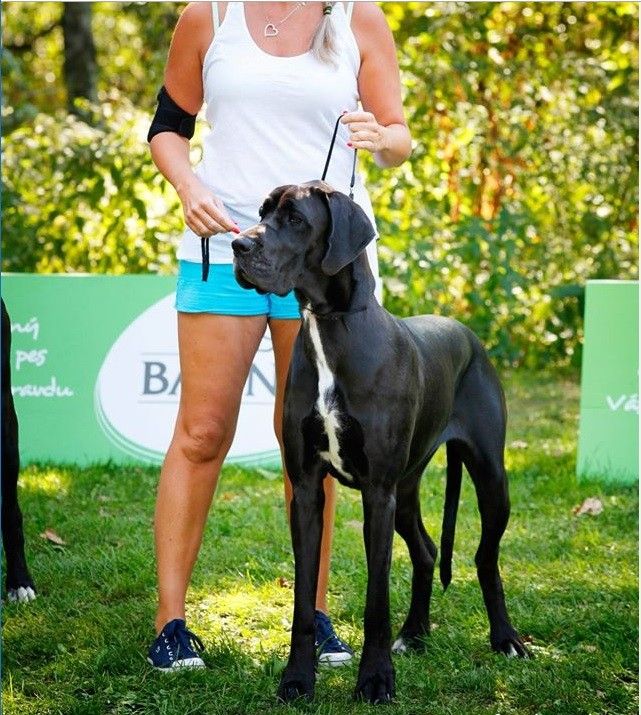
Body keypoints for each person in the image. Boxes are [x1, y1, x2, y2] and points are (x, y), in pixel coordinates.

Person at [146, 0, 411, 670]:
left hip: (324, 268)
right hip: (224, 245)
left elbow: (399, 139)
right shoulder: (208, 16)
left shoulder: (357, 18)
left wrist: (381, 138)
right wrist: (187, 185)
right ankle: (170, 623)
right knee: (201, 433)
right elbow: (168, 127)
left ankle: (313, 616)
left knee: (315, 442)